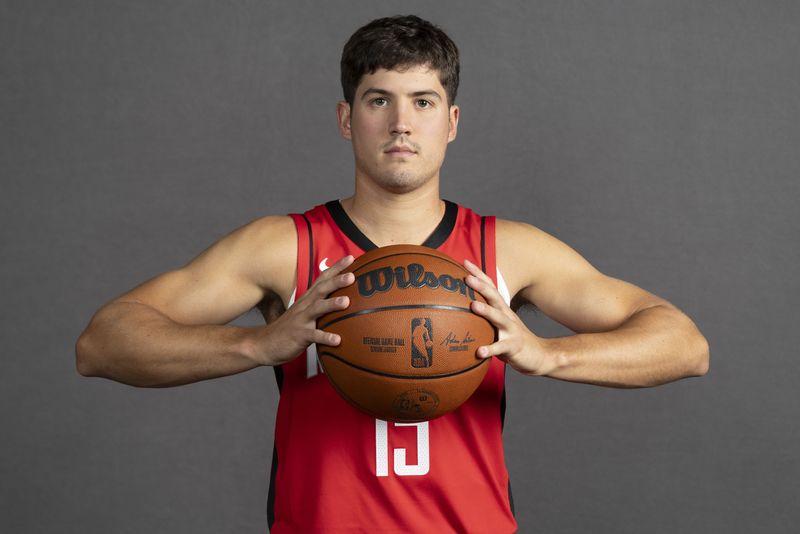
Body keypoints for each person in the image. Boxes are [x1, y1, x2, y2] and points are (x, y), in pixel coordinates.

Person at [76, 15, 709, 533]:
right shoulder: (284, 247)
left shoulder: (504, 250)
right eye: (379, 99)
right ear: (347, 118)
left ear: (451, 123)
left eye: (423, 101)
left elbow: (685, 344)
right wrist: (255, 343)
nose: (401, 123)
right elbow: (101, 343)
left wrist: (549, 355)